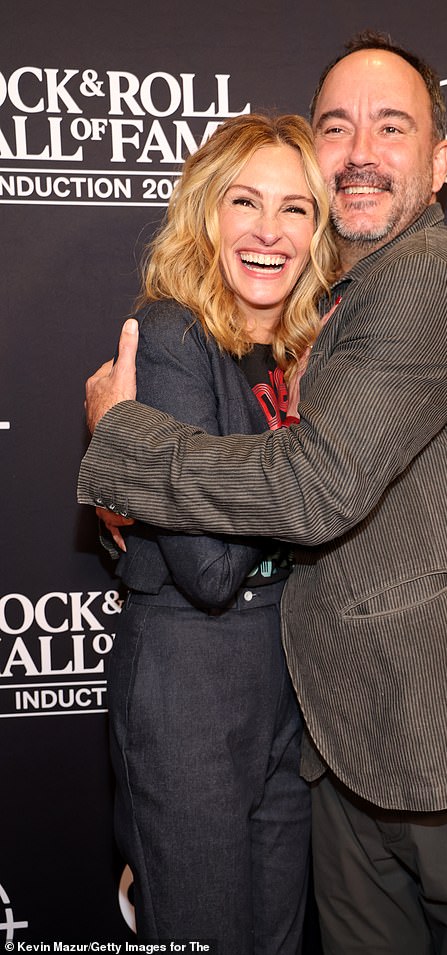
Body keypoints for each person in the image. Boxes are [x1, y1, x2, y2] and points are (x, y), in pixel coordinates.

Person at [79, 32, 447, 955]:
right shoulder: (318, 315)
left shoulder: (422, 283)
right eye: (337, 126)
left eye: (391, 128)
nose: (360, 151)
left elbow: (315, 486)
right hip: (344, 752)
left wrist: (127, 445)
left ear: (440, 164)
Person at [95, 112, 336, 950]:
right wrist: (303, 459)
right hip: (192, 680)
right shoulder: (172, 335)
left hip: (289, 680)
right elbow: (205, 565)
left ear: (318, 230)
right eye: (246, 202)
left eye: (297, 208)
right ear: (207, 214)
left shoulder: (315, 350)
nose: (270, 231)